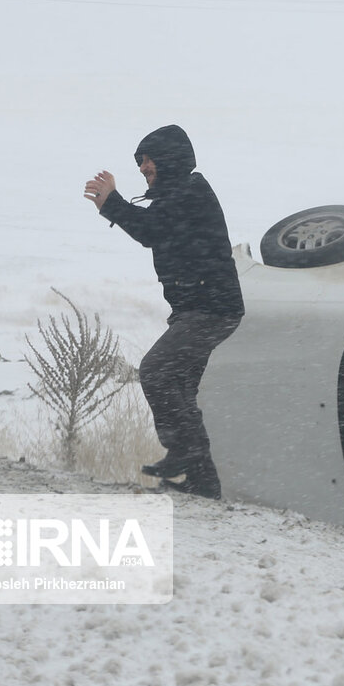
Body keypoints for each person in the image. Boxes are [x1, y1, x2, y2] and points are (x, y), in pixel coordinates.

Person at [83, 125, 243, 500]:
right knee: (179, 387)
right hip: (200, 308)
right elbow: (153, 227)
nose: (143, 167)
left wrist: (111, 203)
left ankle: (183, 452)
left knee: (156, 371)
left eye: (149, 159)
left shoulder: (191, 192)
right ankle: (204, 484)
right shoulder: (177, 195)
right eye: (140, 161)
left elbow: (150, 231)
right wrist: (113, 203)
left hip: (211, 309)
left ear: (170, 158)